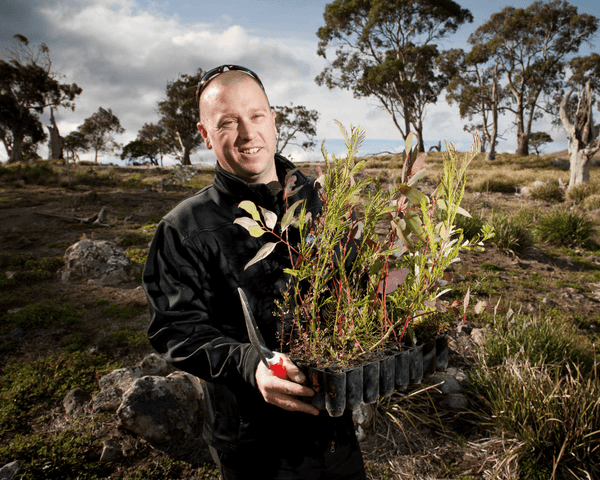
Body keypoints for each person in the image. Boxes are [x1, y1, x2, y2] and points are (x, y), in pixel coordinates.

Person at [143, 65, 367, 479]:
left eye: (256, 116)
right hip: (253, 445)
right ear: (205, 134)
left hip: (335, 432)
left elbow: (356, 282)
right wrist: (250, 364)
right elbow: (175, 328)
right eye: (228, 123)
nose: (248, 135)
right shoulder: (184, 229)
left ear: (273, 118)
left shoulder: (324, 203)